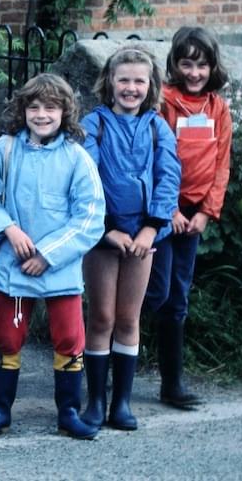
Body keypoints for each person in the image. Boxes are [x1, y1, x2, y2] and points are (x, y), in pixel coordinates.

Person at [0, 73, 105, 440]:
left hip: (59, 269)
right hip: (13, 265)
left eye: (51, 107)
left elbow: (90, 215)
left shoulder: (76, 157)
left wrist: (48, 254)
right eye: (34, 106)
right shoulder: (5, 149)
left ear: (65, 112)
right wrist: (8, 229)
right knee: (8, 341)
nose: (42, 114)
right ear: (22, 109)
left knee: (69, 340)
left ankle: (69, 412)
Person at [80, 44, 181, 431]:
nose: (131, 88)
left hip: (143, 236)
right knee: (102, 315)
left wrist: (152, 228)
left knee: (128, 317)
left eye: (139, 81)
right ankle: (96, 401)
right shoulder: (95, 124)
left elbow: (169, 176)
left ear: (150, 85)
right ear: (110, 81)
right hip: (103, 233)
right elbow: (87, 175)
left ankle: (121, 402)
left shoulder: (158, 126)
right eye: (124, 79)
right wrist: (107, 229)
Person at [149, 27, 232, 410]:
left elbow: (221, 165)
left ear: (212, 66)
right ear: (175, 65)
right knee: (157, 291)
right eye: (187, 63)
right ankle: (113, 360)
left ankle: (172, 384)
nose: (195, 72)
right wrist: (169, 211)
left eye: (201, 64)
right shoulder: (165, 102)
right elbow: (156, 158)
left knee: (178, 298)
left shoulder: (218, 108)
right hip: (164, 212)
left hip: (194, 217)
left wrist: (205, 213)